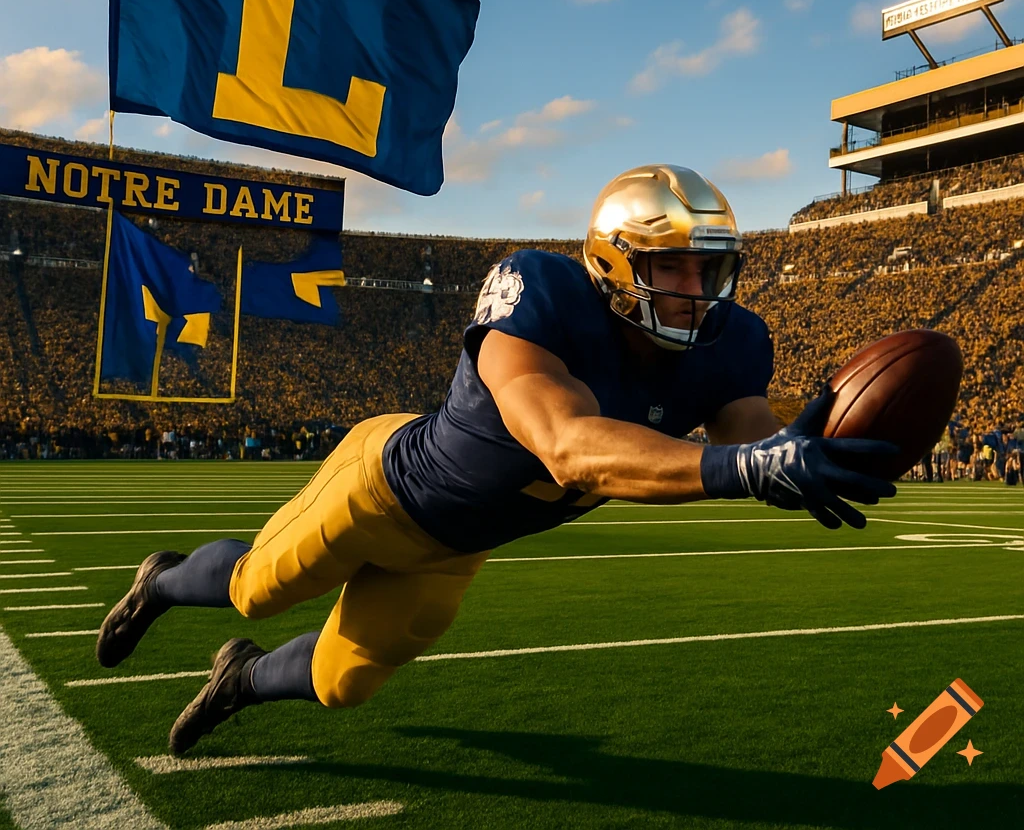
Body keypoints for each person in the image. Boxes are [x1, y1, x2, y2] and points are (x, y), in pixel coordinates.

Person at [94, 164, 898, 754]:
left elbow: (746, 434)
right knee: (256, 588)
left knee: (344, 684)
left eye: (708, 268)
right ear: (614, 264)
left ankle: (242, 678)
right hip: (382, 487)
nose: (695, 289)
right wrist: (751, 470)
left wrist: (802, 453)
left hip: (458, 544)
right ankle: (162, 578)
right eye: (672, 267)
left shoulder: (732, 342)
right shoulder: (539, 292)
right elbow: (567, 446)